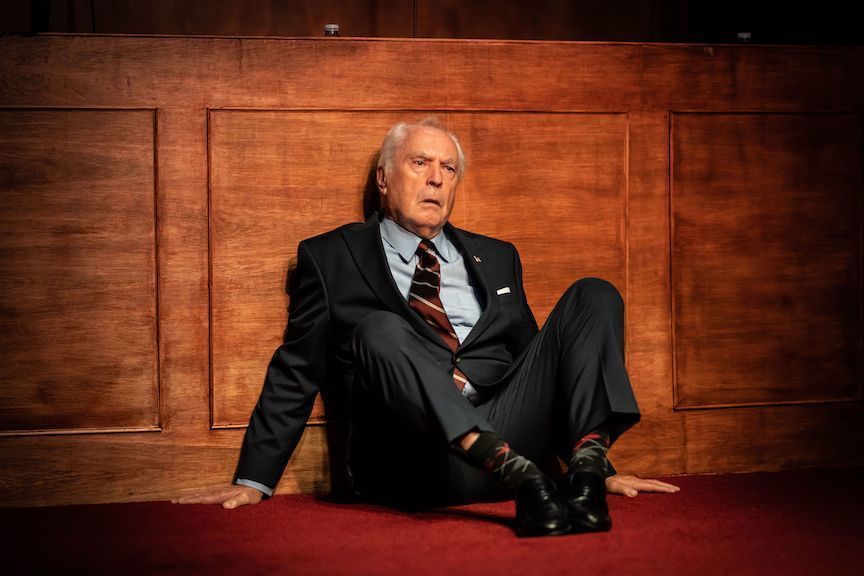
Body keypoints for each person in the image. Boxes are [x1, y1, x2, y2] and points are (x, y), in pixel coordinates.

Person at [175, 117, 679, 536]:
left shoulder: (498, 256)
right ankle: (517, 472)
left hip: (512, 452)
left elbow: (544, 366)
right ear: (383, 178)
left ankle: (585, 477)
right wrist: (254, 480)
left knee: (594, 293)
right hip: (413, 461)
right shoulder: (331, 257)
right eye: (420, 163)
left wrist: (598, 468)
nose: (436, 178)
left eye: (448, 168)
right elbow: (296, 370)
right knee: (377, 329)